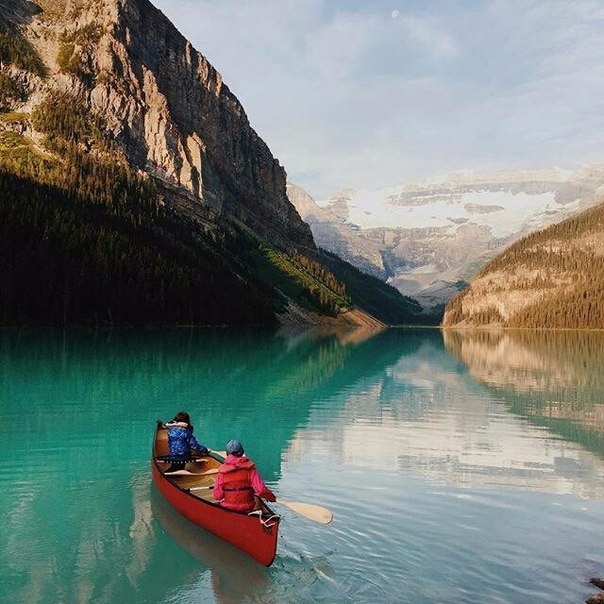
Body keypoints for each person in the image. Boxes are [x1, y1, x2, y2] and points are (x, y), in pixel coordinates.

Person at [213, 439, 276, 512]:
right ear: (242, 452)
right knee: (256, 495)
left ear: (227, 454)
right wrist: (271, 498)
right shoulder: (250, 469)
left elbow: (217, 496)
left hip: (228, 507)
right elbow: (261, 490)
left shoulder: (222, 473)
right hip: (248, 507)